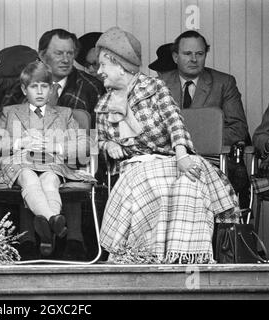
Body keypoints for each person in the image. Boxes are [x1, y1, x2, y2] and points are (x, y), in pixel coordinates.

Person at [95, 26, 239, 264]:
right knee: (150, 183)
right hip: (135, 166)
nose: (99, 71)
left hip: (170, 158)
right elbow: (106, 140)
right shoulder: (103, 104)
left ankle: (186, 260)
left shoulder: (155, 88)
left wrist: (183, 155)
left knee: (190, 181)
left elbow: (175, 124)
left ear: (120, 65)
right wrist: (107, 144)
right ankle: (146, 258)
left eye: (103, 65)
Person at [0, 61, 95, 260]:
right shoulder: (10, 112)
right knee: (28, 177)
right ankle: (53, 219)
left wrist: (57, 147)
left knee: (50, 179)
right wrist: (19, 142)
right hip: (20, 163)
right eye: (34, 86)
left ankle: (48, 223)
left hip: (52, 162)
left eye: (44, 86)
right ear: (23, 89)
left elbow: (86, 146)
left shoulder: (64, 114)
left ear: (51, 88)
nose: (40, 91)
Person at [160, 30, 251, 209]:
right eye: (187, 54)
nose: (194, 59)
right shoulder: (159, 83)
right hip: (170, 159)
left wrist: (198, 143)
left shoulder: (224, 83)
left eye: (199, 54)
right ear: (175, 56)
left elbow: (238, 128)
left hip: (214, 160)